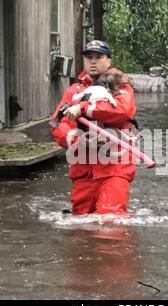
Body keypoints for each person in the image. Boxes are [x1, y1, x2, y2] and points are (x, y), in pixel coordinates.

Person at [51, 40, 137, 217]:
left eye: (98, 57)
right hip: (83, 170)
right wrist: (78, 140)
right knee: (81, 225)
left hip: (114, 167)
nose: (93, 61)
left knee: (110, 223)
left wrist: (83, 107)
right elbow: (58, 125)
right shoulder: (73, 90)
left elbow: (122, 111)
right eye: (89, 57)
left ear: (109, 61)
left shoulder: (120, 85)